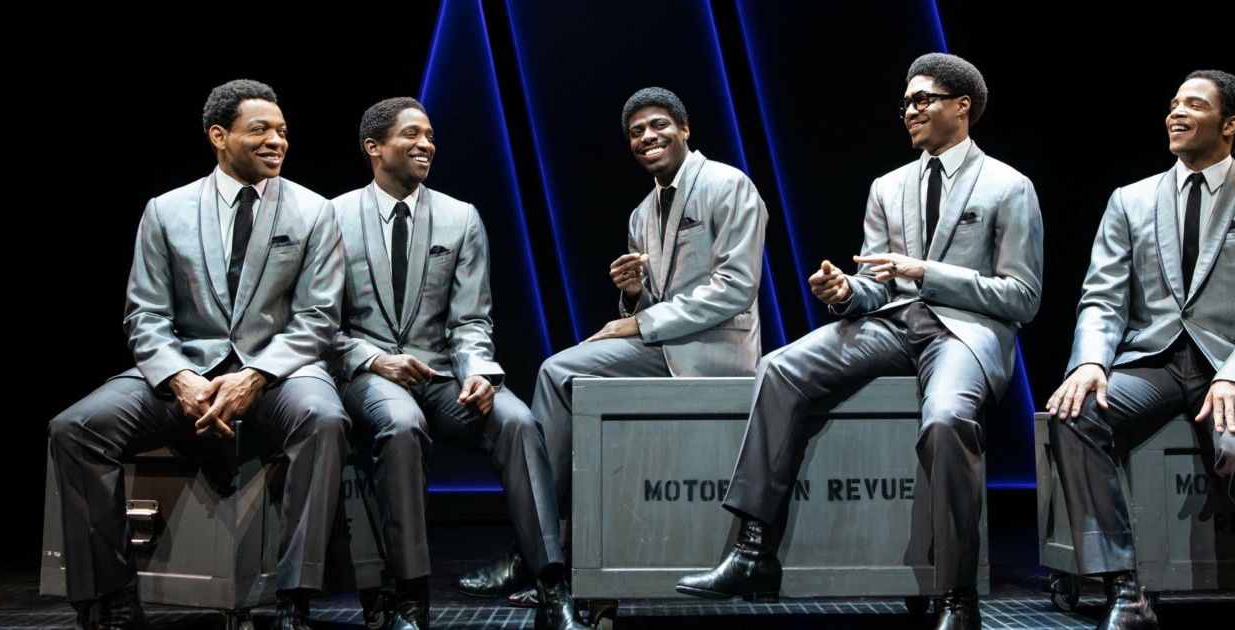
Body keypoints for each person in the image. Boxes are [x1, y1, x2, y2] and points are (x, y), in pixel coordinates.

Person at [676, 53, 1043, 630]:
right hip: (893, 325)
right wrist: (846, 291)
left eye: (923, 99)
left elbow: (1022, 297)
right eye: (906, 102)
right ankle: (752, 552)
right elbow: (878, 286)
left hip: (962, 333)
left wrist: (926, 272)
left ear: (962, 106)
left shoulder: (1008, 185)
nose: (910, 110)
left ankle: (956, 595)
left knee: (945, 420)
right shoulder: (887, 186)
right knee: (780, 366)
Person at [47, 79, 348, 630]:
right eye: (260, 129)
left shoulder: (314, 210)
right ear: (219, 135)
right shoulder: (166, 210)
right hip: (187, 367)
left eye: (282, 131)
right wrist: (179, 377)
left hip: (278, 371)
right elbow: (144, 314)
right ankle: (112, 598)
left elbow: (318, 318)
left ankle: (294, 599)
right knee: (75, 428)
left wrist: (255, 374)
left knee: (324, 419)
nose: (276, 141)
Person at [454, 86, 768, 607]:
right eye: (636, 132)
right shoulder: (642, 212)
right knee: (566, 381)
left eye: (659, 125)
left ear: (685, 129)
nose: (647, 136)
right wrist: (633, 295)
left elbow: (736, 288)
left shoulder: (727, 184)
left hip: (713, 350)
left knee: (557, 374)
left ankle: (531, 551)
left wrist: (638, 321)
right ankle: (560, 557)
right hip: (665, 345)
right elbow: (655, 300)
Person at [1043, 69, 1235, 630]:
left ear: (1230, 124)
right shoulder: (1130, 200)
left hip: (1234, 367)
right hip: (1154, 363)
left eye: (1194, 104)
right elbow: (1101, 298)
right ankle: (1123, 588)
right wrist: (1091, 360)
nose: (1176, 113)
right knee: (1073, 414)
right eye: (1173, 104)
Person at [328, 97, 585, 630]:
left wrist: (477, 373)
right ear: (374, 148)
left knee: (515, 421)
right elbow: (319, 323)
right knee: (401, 425)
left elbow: (471, 321)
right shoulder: (330, 217)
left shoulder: (460, 217)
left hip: (443, 373)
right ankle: (411, 597)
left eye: (431, 136)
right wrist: (376, 359)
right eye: (412, 135)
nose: (427, 144)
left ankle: (552, 585)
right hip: (369, 372)